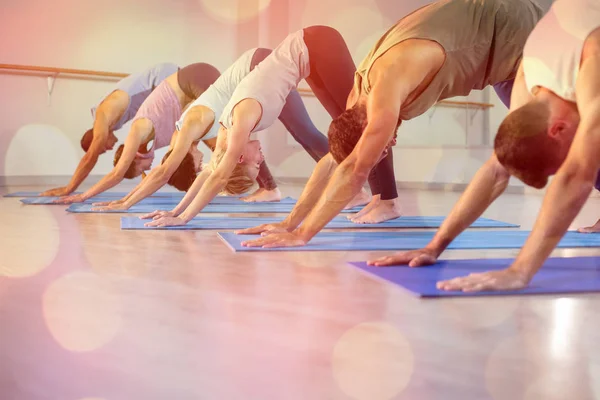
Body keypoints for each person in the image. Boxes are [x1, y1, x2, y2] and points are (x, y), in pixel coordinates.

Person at [235, 0, 546, 247]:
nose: (390, 147)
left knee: (541, 136)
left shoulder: (384, 91)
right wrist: (289, 222)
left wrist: (302, 235)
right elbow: (334, 162)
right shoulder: (356, 102)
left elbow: (354, 171)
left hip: (518, 32)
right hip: (495, 45)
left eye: (381, 149)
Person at [368, 0, 600, 292]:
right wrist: (433, 247)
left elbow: (576, 175)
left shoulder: (592, 61)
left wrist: (520, 271)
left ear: (558, 129)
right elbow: (496, 169)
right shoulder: (530, 73)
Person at [142, 26, 368, 227]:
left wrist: (183, 218)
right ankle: (365, 192)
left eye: (256, 165)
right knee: (358, 122)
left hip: (316, 45)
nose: (262, 161)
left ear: (239, 158)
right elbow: (211, 172)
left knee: (366, 119)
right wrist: (175, 210)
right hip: (310, 60)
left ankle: (379, 198)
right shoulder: (225, 133)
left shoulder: (240, 121)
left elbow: (219, 176)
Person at [54, 63, 220, 204]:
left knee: (212, 140)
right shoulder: (149, 136)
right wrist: (127, 199)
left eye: (102, 147)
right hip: (185, 84)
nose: (108, 147)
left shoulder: (107, 118)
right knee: (198, 136)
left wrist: (76, 192)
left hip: (180, 78)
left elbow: (107, 166)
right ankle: (229, 179)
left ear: (137, 156)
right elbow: (157, 172)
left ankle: (230, 179)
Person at [40, 63, 179, 197]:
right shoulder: (113, 122)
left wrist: (69, 188)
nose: (109, 148)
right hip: (163, 81)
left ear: (95, 138)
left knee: (186, 125)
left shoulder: (102, 116)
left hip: (161, 78)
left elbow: (90, 157)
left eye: (103, 148)